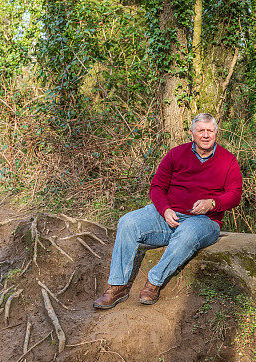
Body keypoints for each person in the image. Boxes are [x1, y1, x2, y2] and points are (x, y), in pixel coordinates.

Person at [93, 112, 242, 309]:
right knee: (128, 222)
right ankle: (117, 286)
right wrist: (164, 210)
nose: (206, 135)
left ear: (216, 133)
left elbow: (235, 195)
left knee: (188, 233)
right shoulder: (176, 154)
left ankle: (153, 282)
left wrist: (212, 203)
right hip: (167, 217)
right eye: (201, 131)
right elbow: (156, 187)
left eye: (210, 131)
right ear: (192, 134)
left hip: (204, 222)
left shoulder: (228, 160)